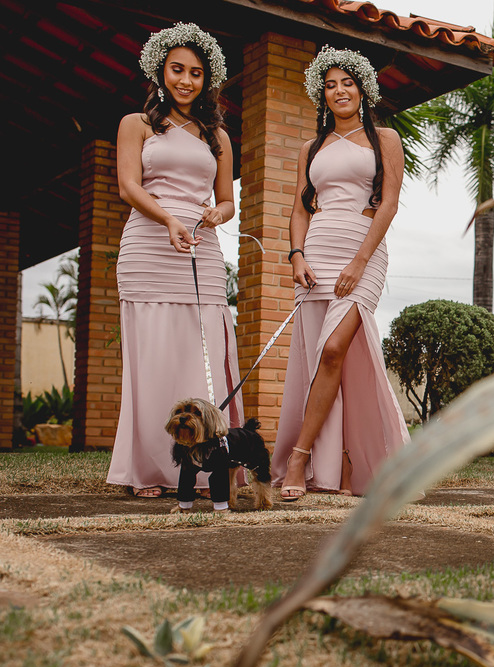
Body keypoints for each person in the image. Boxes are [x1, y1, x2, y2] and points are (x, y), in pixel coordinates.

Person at [107, 23, 241, 498]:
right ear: (160, 71)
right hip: (148, 245)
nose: (186, 80)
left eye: (196, 73)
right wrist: (168, 220)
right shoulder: (135, 124)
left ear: (208, 80)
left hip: (201, 250)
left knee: (200, 353)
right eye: (177, 70)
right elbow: (129, 187)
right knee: (152, 359)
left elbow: (227, 202)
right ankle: (147, 471)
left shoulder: (218, 135)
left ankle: (208, 468)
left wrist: (214, 213)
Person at [272, 46, 410, 500]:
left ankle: (300, 458)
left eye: (346, 82)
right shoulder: (311, 148)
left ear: (363, 88)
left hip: (362, 253)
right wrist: (296, 255)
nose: (339, 91)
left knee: (334, 350)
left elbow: (387, 203)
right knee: (324, 363)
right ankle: (345, 467)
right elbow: (300, 208)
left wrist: (360, 260)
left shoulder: (385, 139)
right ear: (322, 95)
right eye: (330, 85)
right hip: (317, 253)